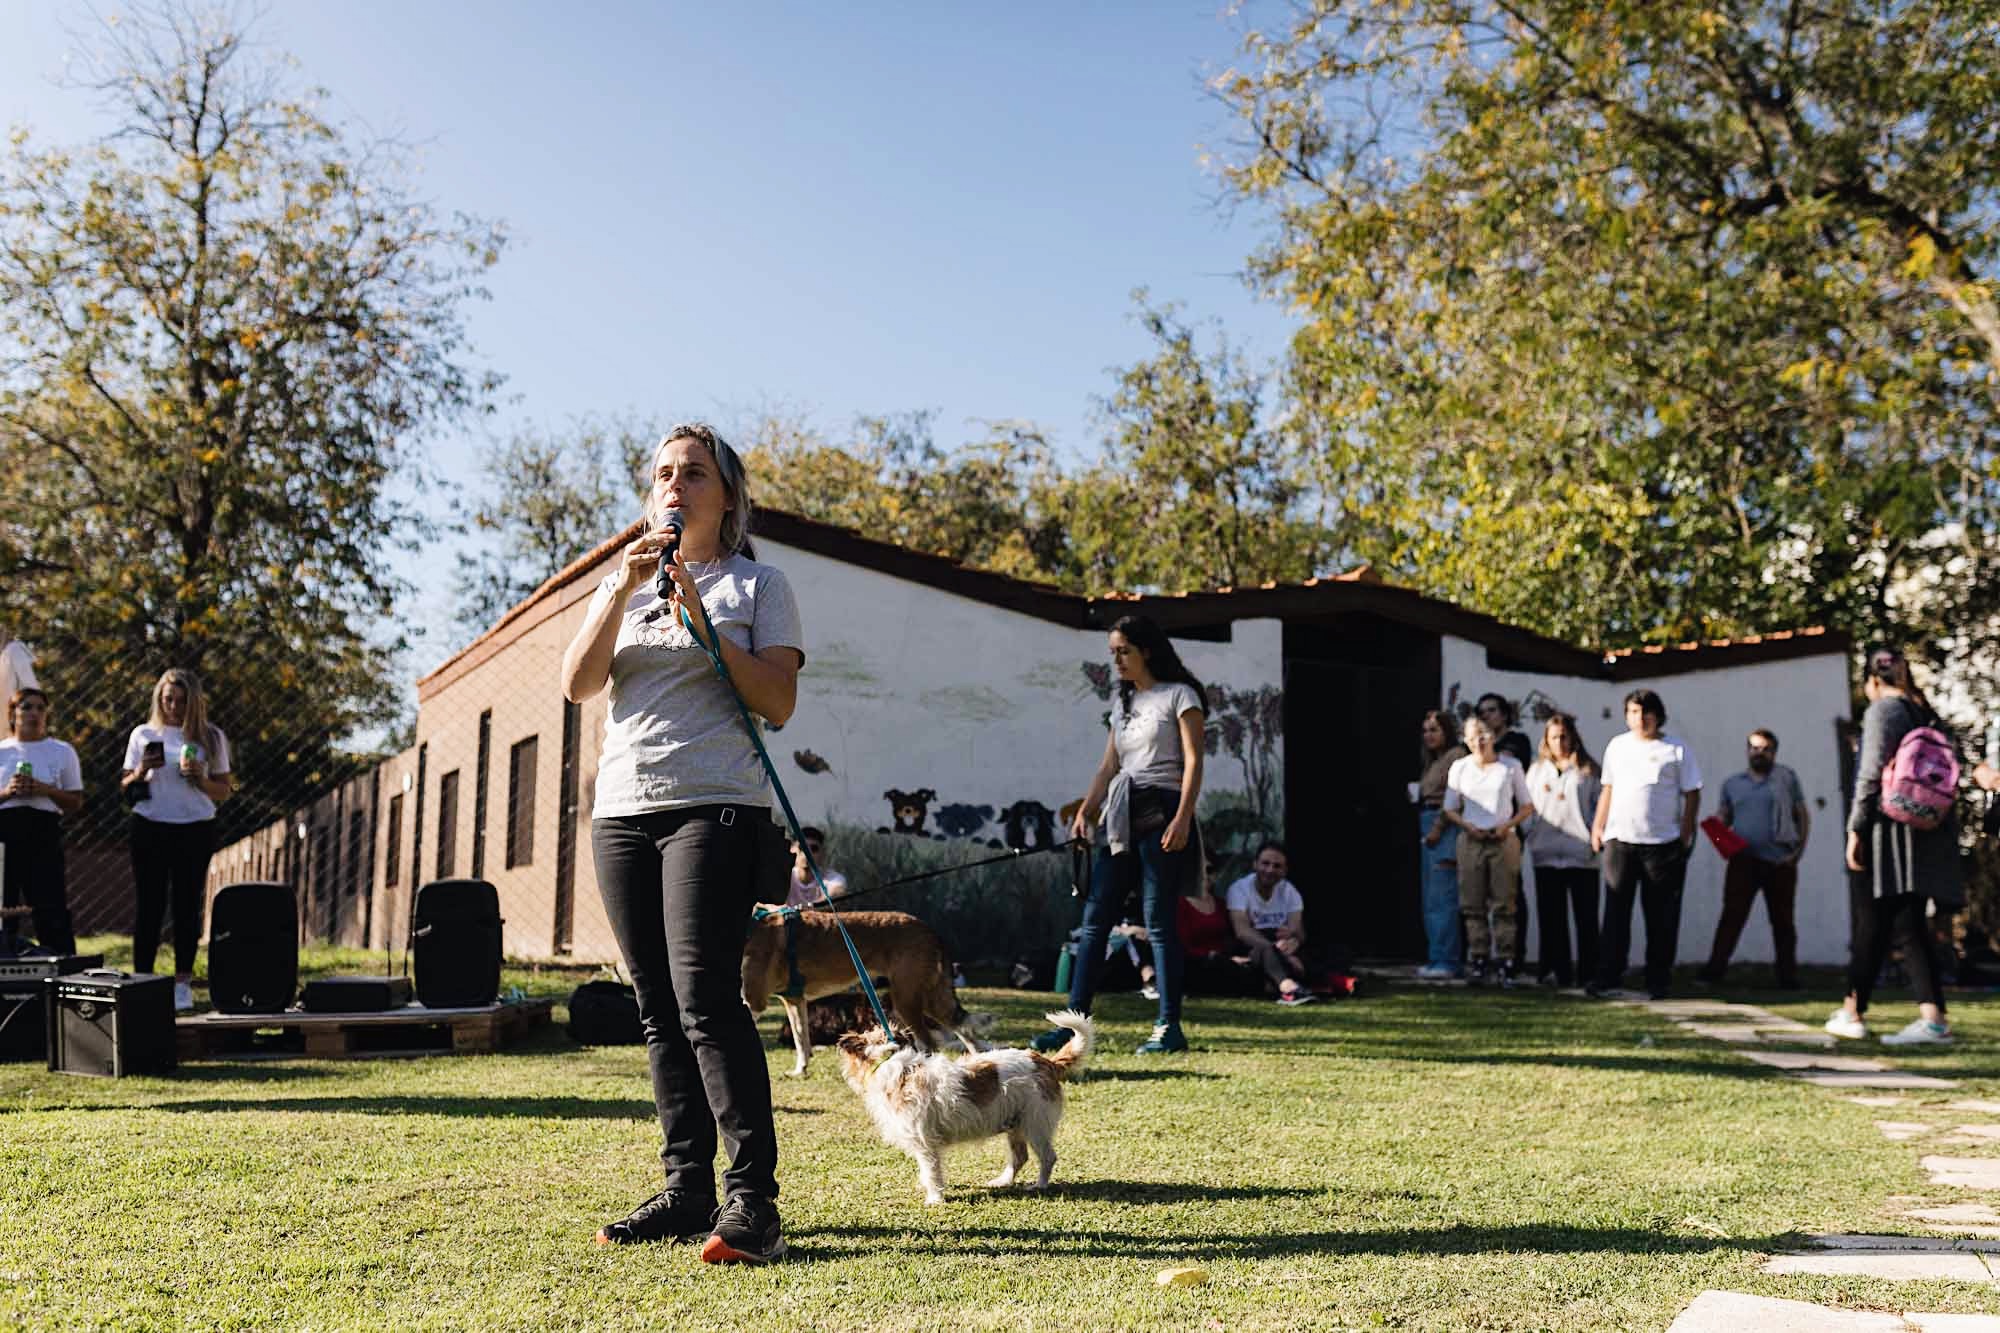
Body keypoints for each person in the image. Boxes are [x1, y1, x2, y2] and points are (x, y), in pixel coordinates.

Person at [561, 423, 804, 1263]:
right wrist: (617, 591)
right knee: (656, 1005)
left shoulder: (758, 584)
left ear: (726, 496)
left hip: (716, 805)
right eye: (664, 472)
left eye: (694, 472)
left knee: (705, 998)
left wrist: (705, 622)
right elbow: (577, 682)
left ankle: (753, 1201)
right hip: (622, 810)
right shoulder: (621, 582)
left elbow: (779, 700)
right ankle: (686, 1188)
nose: (675, 484)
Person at [1035, 614, 1206, 1055]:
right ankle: (1073, 1025)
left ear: (1146, 650)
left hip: (1163, 808)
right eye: (1113, 653)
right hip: (1122, 813)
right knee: (1095, 920)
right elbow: (1109, 765)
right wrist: (1086, 812)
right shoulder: (1123, 702)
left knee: (1158, 922)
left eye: (1123, 651)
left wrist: (1183, 818)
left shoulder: (1181, 695)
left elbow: (1193, 761)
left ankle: (1168, 1027)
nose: (1117, 661)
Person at [1826, 648, 1962, 1045]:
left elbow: (1870, 774)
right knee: (1905, 922)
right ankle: (1912, 1016)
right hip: (1922, 828)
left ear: (1871, 681)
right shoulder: (1923, 712)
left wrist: (1856, 829)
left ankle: (1857, 1013)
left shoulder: (1883, 711)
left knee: (1878, 919)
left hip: (1888, 832)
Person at [122, 668, 233, 1012]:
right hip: (150, 825)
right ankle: (143, 980)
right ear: (159, 699)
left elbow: (223, 790)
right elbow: (126, 787)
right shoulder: (143, 734)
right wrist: (142, 770)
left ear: (193, 702)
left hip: (194, 827)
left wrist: (200, 779)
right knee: (149, 905)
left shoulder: (211, 737)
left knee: (187, 905)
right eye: (168, 699)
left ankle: (182, 983)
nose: (174, 707)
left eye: (182, 701)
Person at [1589, 689, 1702, 1000]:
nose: (1640, 719)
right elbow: (1608, 788)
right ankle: (1608, 975)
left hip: (1662, 844)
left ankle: (1658, 979)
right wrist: (1598, 826)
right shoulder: (1617, 746)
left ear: (1658, 715)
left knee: (1661, 917)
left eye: (1646, 713)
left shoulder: (1676, 749)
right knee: (1615, 912)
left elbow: (1692, 792)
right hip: (1620, 841)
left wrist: (1685, 832)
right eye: (1634, 712)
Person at [1700, 729, 1810, 988]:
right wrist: (1717, 832)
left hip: (1780, 861)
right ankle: (1713, 973)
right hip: (1743, 862)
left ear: (1775, 752)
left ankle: (1787, 978)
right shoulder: (1732, 784)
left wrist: (1798, 853)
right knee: (1732, 917)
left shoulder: (1786, 779)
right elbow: (1724, 817)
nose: (1760, 753)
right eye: (1755, 748)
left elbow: (1802, 816)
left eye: (1766, 749)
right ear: (1748, 751)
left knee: (1783, 922)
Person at [1442, 716, 1534, 985]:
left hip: (1502, 839)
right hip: (1472, 839)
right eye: (1472, 737)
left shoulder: (1510, 766)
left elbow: (1527, 805)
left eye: (1482, 735)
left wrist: (1507, 826)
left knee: (1504, 903)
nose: (1478, 742)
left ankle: (1506, 960)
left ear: (1492, 736)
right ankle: (1479, 958)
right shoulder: (1460, 767)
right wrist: (1467, 826)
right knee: (1472, 904)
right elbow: (1449, 808)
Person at [0, 688, 83, 954]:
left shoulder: (61, 751)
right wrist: (8, 792)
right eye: (26, 707)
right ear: (13, 713)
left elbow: (75, 801)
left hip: (43, 832)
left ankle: (60, 963)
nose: (33, 713)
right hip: (5, 833)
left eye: (40, 708)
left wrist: (45, 790)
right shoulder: (2, 751)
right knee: (4, 902)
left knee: (50, 904)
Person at [1524, 711, 1600, 989]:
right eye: (1554, 737)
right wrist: (1530, 834)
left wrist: (1595, 836)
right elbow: (1528, 807)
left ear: (1573, 737)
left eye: (1564, 736)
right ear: (1546, 739)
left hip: (1581, 854)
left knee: (1586, 918)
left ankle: (1589, 973)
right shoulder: (1537, 770)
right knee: (1551, 918)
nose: (1559, 742)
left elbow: (1599, 806)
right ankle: (1556, 970)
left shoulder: (1588, 770)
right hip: (1545, 853)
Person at [1475, 693, 1533, 969]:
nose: (1486, 716)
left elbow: (1503, 764)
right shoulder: (1475, 745)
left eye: (1491, 710)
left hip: (1508, 827)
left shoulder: (1516, 741)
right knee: (1476, 895)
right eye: (1481, 712)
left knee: (1510, 895)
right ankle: (1480, 955)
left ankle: (1513, 957)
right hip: (1477, 827)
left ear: (1504, 713)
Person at [1224, 841, 1316, 1006]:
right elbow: (1242, 931)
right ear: (1255, 864)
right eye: (1265, 863)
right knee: (1267, 955)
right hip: (1253, 946)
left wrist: (1294, 940)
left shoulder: (1290, 891)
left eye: (1277, 866)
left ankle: (1273, 984)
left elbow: (1299, 932)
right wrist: (1275, 952)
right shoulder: (1239, 889)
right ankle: (1289, 989)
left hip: (1282, 947)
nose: (1270, 870)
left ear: (1285, 870)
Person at [1416, 709, 1469, 980]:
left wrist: (1437, 828)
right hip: (1427, 820)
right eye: (1425, 730)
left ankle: (1447, 960)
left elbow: (1454, 798)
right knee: (1431, 897)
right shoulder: (1432, 760)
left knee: (1443, 898)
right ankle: (1436, 956)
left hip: (1443, 826)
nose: (1429, 735)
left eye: (1434, 729)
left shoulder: (1455, 756)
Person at [1178, 863, 1261, 996]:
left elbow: (1230, 938)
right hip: (1195, 964)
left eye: (1209, 870)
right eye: (1198, 869)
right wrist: (1223, 959)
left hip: (1224, 962)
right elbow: (1183, 946)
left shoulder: (1221, 904)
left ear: (1216, 875)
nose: (1204, 875)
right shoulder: (1179, 903)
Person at [782, 827, 847, 909]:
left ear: (823, 852)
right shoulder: (782, 877)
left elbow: (835, 897)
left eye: (814, 849)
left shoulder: (835, 879)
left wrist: (804, 909)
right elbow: (770, 904)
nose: (807, 853)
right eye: (802, 848)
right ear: (791, 849)